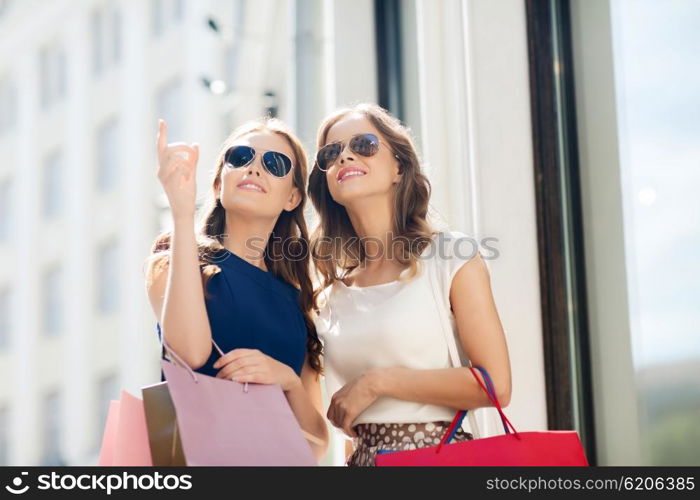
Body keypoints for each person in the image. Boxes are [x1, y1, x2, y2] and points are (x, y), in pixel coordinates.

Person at [308, 103, 512, 466]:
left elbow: (496, 384)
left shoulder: (450, 256)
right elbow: (348, 428)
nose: (345, 156)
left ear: (398, 167)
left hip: (439, 459)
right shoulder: (329, 295)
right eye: (331, 152)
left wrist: (377, 382)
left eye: (364, 144)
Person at [145, 117, 329, 461]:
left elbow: (316, 444)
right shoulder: (174, 263)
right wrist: (182, 214)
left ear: (292, 197)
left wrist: (286, 380)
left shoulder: (298, 301)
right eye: (241, 157)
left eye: (274, 164)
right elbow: (190, 354)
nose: (255, 168)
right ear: (218, 184)